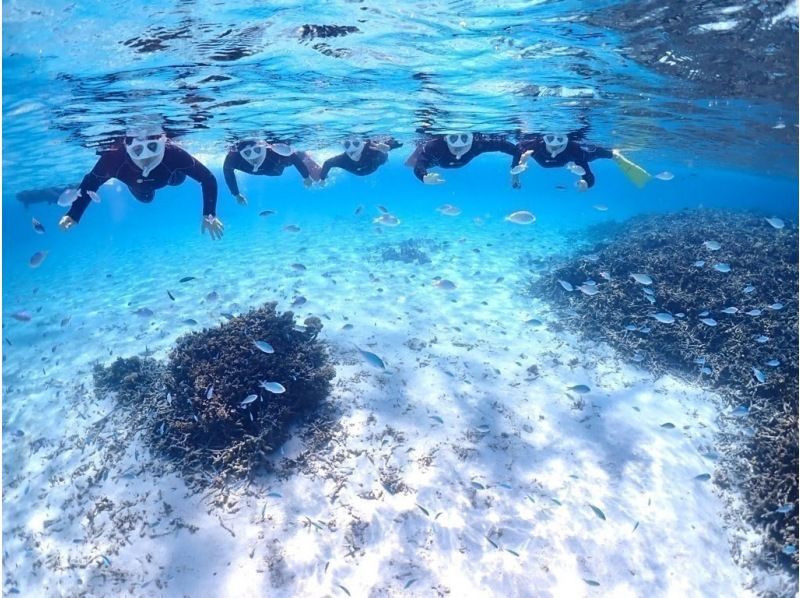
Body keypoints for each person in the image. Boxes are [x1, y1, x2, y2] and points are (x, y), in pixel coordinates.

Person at [59, 124, 223, 239]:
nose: (146, 157)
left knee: (179, 180)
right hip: (138, 185)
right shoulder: (114, 158)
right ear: (127, 146)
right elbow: (91, 182)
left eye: (152, 148)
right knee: (146, 199)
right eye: (138, 150)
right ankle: (136, 187)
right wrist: (74, 214)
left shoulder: (173, 154)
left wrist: (209, 214)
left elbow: (207, 178)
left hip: (169, 176)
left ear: (162, 142)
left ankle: (155, 180)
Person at [514, 130, 650, 190]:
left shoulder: (574, 150)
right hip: (561, 159)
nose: (554, 143)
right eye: (550, 138)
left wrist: (586, 183)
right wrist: (516, 173)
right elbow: (516, 153)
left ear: (566, 139)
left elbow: (588, 175)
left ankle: (615, 155)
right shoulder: (533, 146)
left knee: (595, 153)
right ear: (544, 138)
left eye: (560, 139)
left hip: (575, 156)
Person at [222, 139, 317, 205]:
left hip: (276, 166)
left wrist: (306, 176)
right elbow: (227, 170)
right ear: (241, 153)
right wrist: (236, 194)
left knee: (293, 154)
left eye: (257, 149)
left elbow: (292, 156)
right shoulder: (234, 158)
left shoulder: (274, 152)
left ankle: (305, 155)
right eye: (247, 153)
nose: (254, 156)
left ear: (263, 147)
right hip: (272, 168)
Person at [410, 133, 521, 185]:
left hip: (442, 160)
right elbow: (419, 166)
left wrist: (515, 173)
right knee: (420, 157)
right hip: (436, 160)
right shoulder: (435, 147)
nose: (459, 146)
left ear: (472, 138)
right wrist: (424, 177)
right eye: (453, 138)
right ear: (446, 139)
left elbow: (513, 149)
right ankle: (419, 148)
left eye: (464, 138)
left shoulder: (477, 145)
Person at [318, 137, 403, 181]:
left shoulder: (371, 147)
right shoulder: (342, 159)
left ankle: (386, 157)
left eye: (355, 143)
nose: (352, 146)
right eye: (347, 144)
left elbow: (399, 144)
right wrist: (322, 178)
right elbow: (327, 163)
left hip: (374, 163)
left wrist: (389, 147)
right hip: (358, 171)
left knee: (382, 155)